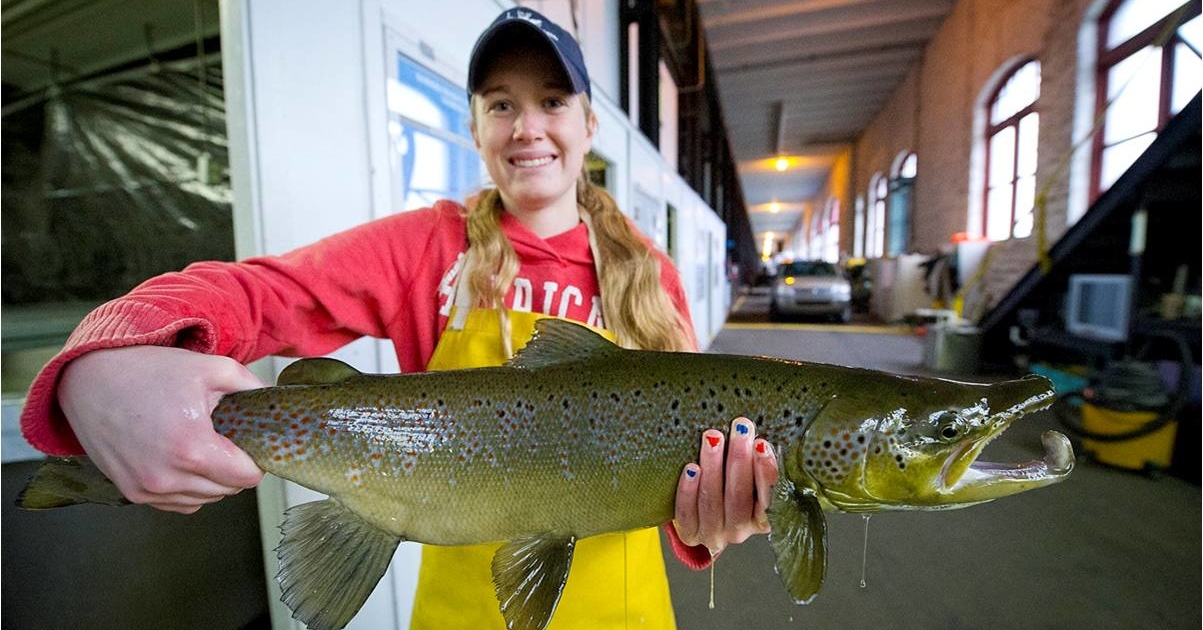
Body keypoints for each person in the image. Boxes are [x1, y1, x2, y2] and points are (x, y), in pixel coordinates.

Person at [19, 7, 779, 629]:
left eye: (551, 100)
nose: (527, 127)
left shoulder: (653, 276)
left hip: (622, 611)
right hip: (457, 610)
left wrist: (711, 519)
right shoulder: (427, 248)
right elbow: (258, 292)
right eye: (500, 104)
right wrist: (110, 357)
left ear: (588, 123)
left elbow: (690, 490)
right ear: (476, 127)